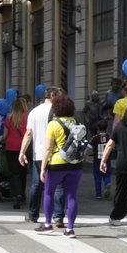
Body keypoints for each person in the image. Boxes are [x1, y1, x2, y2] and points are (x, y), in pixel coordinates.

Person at [35, 96, 84, 237]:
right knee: (72, 195)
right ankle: (70, 229)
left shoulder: (53, 124)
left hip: (57, 163)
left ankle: (48, 224)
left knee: (49, 192)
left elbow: (48, 148)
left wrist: (43, 168)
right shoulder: (78, 123)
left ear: (56, 108)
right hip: (75, 164)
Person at [19, 86, 67, 225]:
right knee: (58, 185)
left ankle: (33, 214)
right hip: (56, 154)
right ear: (52, 95)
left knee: (37, 185)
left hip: (39, 154)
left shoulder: (33, 112)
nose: (61, 97)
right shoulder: (58, 111)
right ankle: (58, 217)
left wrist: (22, 152)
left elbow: (29, 133)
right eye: (59, 95)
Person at [2, 97, 30, 209]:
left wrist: (1, 139)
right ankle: (22, 195)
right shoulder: (28, 118)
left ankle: (16, 195)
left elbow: (4, 136)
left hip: (11, 148)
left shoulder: (9, 118)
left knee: (14, 173)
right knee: (23, 173)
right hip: (24, 148)